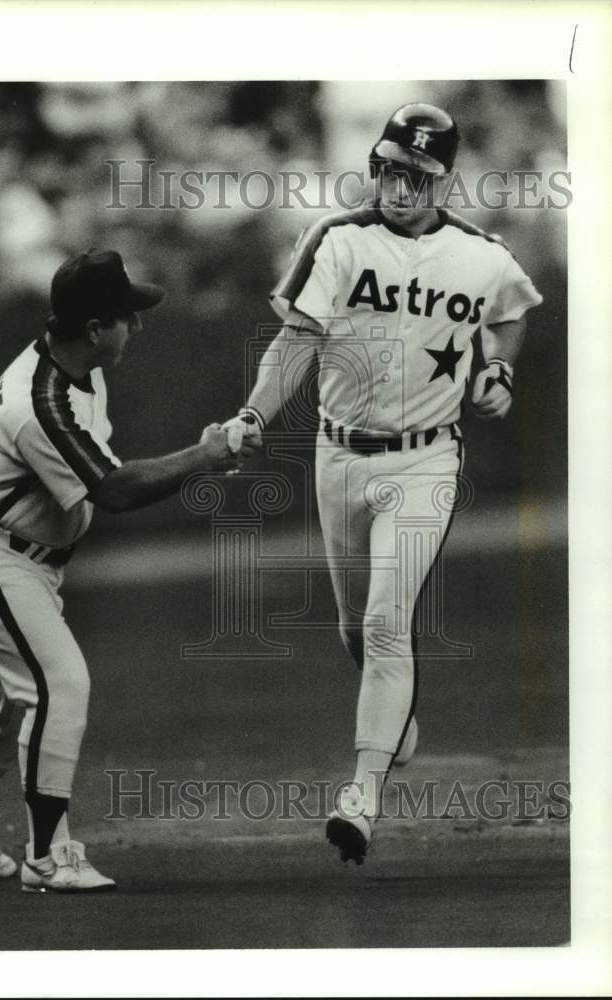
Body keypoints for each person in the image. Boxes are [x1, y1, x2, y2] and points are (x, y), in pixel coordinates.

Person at [223, 103, 543, 864]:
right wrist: (252, 412)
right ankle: (393, 721)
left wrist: (498, 369)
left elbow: (510, 314)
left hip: (427, 458)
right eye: (389, 169)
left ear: (444, 180)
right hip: (336, 456)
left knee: (386, 622)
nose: (399, 187)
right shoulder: (336, 238)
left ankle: (361, 795)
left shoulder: (481, 255)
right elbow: (295, 338)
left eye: (418, 175)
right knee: (352, 631)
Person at [0, 249, 258, 892]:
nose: (138, 325)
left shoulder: (78, 367)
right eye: (128, 316)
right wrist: (205, 457)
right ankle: (49, 856)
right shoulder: (38, 400)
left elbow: (106, 474)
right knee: (59, 685)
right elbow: (114, 489)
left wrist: (204, 457)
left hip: (17, 557)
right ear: (96, 328)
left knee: (9, 702)